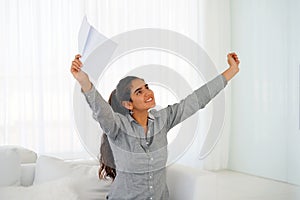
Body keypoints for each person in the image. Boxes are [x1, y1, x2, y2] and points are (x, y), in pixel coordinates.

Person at [70, 53, 240, 200]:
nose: (148, 93)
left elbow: (195, 100)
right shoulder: (117, 127)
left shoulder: (162, 119)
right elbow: (102, 111)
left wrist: (230, 72)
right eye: (139, 92)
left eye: (147, 87)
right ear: (128, 104)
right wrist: (85, 82)